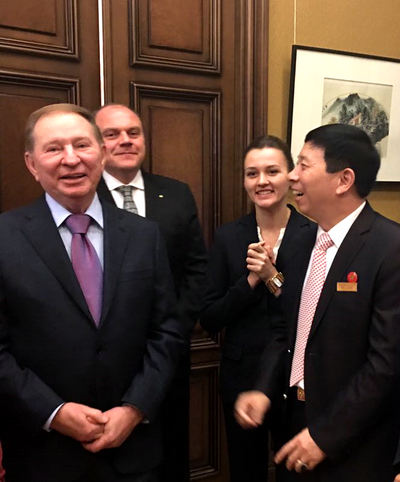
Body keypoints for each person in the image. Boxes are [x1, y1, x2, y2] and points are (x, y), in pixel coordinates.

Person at [0, 103, 183, 482]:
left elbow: (166, 330)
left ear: (100, 153)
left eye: (82, 145)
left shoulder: (144, 235)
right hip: (42, 456)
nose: (71, 159)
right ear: (32, 163)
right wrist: (53, 412)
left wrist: (135, 408)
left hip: (135, 453)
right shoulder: (5, 237)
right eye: (54, 148)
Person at [235, 124, 400, 481]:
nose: (292, 176)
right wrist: (263, 388)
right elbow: (285, 330)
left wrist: (326, 436)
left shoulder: (390, 249)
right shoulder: (300, 242)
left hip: (353, 442)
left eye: (303, 165)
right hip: (292, 424)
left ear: (343, 180)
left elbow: (386, 364)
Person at [94, 104, 207, 481]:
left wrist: (175, 328)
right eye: (112, 134)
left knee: (172, 451)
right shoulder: (83, 196)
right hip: (107, 360)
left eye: (134, 132)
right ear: (97, 144)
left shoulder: (176, 193)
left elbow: (196, 268)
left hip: (169, 353)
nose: (125, 140)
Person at [200, 135, 315, 481]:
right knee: (245, 471)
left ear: (290, 176)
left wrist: (271, 277)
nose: (262, 181)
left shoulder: (313, 234)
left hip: (295, 376)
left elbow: (307, 311)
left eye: (272, 171)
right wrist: (250, 282)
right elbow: (210, 318)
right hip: (242, 376)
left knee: (295, 470)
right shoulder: (228, 237)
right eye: (252, 173)